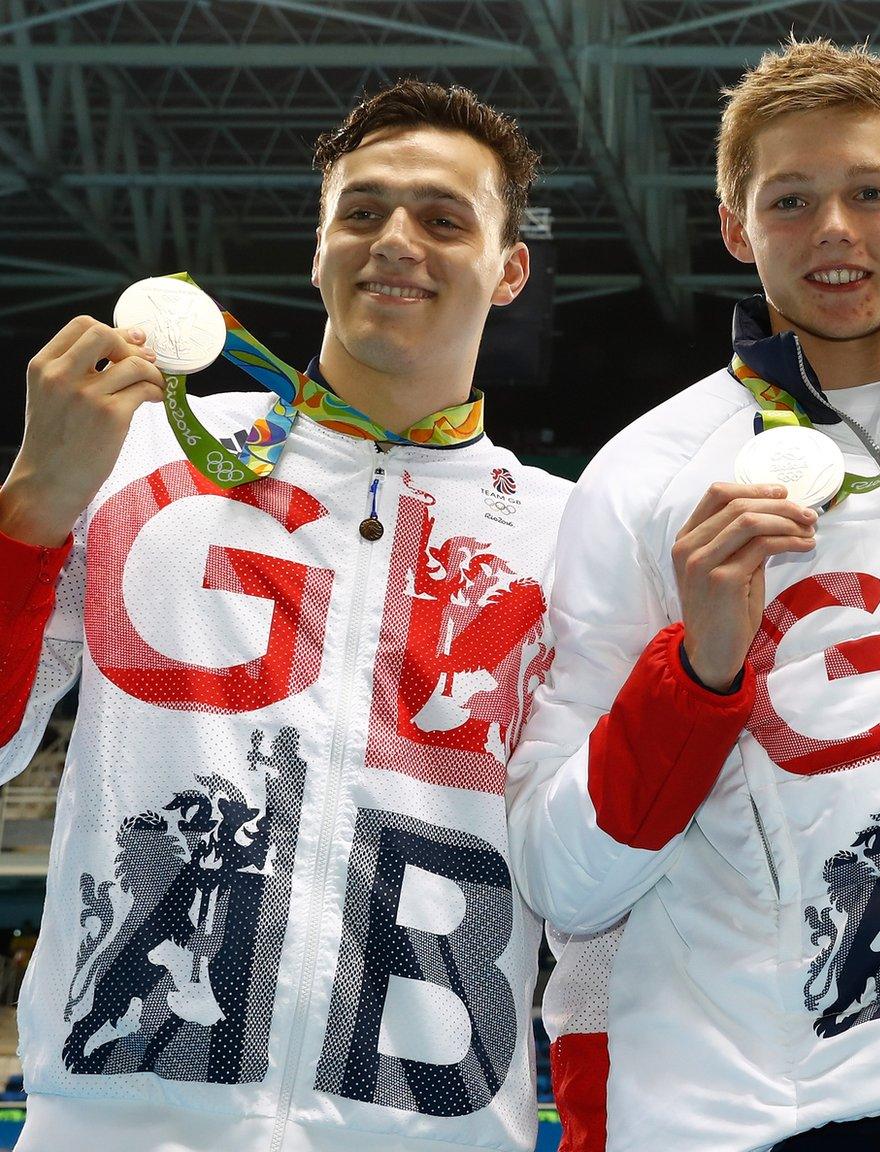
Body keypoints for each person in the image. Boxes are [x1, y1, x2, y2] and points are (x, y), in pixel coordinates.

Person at [506, 39, 880, 1151]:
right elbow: (565, 881)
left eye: (868, 193)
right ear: (738, 230)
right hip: (773, 1116)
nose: (833, 228)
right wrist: (695, 672)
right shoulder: (644, 478)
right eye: (790, 199)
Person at [0, 80, 570, 1150]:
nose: (395, 240)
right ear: (319, 249)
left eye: (444, 220)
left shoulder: (569, 536)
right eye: (361, 212)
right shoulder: (142, 452)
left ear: (509, 269)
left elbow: (597, 879)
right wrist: (26, 516)